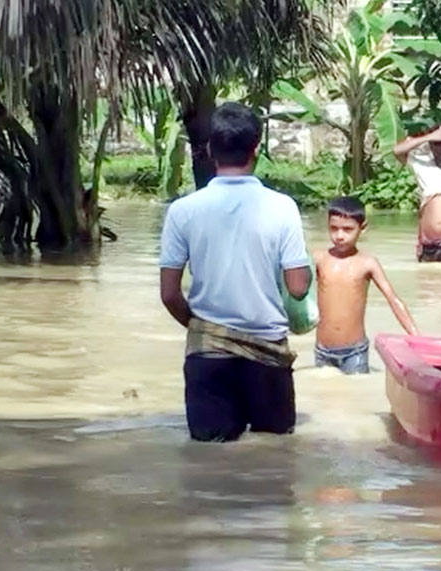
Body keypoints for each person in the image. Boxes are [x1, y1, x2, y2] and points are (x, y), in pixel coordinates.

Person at [159, 102, 312, 442]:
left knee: (210, 467)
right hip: (267, 355)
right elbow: (298, 287)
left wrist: (206, 328)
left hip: (207, 354)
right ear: (256, 149)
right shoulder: (283, 207)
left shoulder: (182, 211)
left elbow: (169, 294)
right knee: (273, 464)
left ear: (210, 149)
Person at [314, 196, 419, 373]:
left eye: (347, 230)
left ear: (363, 228)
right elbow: (296, 293)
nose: (339, 236)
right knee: (326, 396)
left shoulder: (368, 263)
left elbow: (392, 298)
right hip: (322, 351)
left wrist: (416, 337)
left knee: (356, 395)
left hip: (355, 352)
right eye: (334, 229)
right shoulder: (318, 259)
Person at [394, 124, 441, 262]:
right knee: (426, 280)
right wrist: (428, 137)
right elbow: (397, 151)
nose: (439, 147)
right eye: (435, 143)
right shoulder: (421, 164)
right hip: (428, 241)